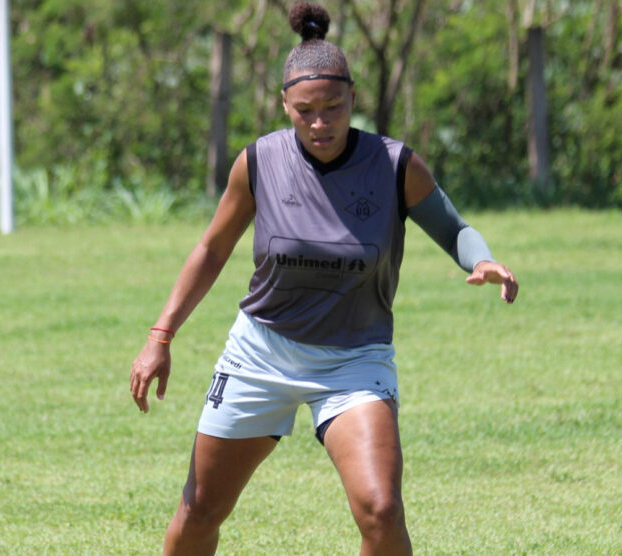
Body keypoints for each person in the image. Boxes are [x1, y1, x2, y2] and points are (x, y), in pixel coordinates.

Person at [130, 2, 519, 554]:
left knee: (381, 511)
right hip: (260, 355)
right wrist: (159, 336)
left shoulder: (392, 164)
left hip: (354, 362)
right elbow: (212, 249)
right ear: (284, 104)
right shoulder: (260, 161)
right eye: (305, 110)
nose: (320, 123)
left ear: (353, 99)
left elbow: (454, 229)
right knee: (200, 510)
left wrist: (480, 260)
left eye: (333, 107)